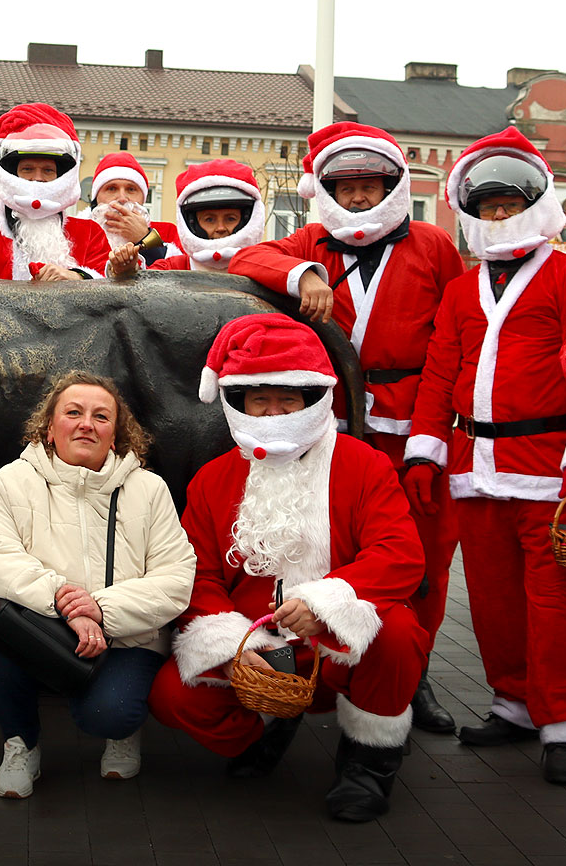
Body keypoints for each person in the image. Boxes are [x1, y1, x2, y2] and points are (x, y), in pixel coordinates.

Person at [228, 123, 465, 733]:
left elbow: (451, 346)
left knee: (425, 558)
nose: (358, 199)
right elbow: (247, 256)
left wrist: (429, 441)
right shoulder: (313, 242)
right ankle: (318, 659)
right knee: (330, 542)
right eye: (346, 187)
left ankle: (414, 673)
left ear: (392, 186)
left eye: (369, 186)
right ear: (325, 189)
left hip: (412, 422)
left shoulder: (435, 245)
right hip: (331, 425)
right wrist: (302, 274)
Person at [150, 313, 428, 822]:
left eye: (288, 400)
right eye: (260, 399)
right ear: (238, 403)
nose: (274, 412)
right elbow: (197, 574)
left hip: (338, 644)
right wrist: (235, 645)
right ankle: (261, 730)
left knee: (399, 632)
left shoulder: (362, 463)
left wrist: (326, 604)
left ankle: (369, 761)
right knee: (173, 695)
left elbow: (400, 552)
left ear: (312, 401)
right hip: (258, 643)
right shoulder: (212, 480)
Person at [401, 128, 566, 785]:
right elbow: (439, 372)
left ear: (535, 207)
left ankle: (565, 723)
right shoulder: (462, 290)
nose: (498, 217)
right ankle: (513, 702)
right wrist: (424, 453)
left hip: (549, 466)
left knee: (557, 604)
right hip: (474, 464)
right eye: (488, 208)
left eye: (509, 205)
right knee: (492, 599)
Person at [0, 371, 196, 797]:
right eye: (72, 413)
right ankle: (21, 743)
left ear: (115, 435)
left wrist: (101, 610)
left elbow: (176, 578)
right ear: (50, 429)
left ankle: (122, 733)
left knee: (104, 714)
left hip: (127, 636)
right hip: (41, 627)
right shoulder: (10, 483)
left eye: (101, 416)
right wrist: (62, 599)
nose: (86, 424)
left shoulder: (149, 491)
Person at [0, 104, 109, 281]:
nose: (37, 178)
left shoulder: (90, 234)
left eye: (48, 171)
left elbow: (112, 292)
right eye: (27, 169)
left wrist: (78, 278)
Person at [132, 159, 266, 274]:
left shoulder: (265, 266)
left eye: (230, 219)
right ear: (192, 223)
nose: (220, 228)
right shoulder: (175, 267)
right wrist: (125, 270)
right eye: (210, 220)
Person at [84, 151, 179, 270]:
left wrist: (145, 238)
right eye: (112, 188)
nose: (122, 198)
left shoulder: (168, 233)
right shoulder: (79, 232)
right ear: (96, 197)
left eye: (131, 189)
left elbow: (176, 277)